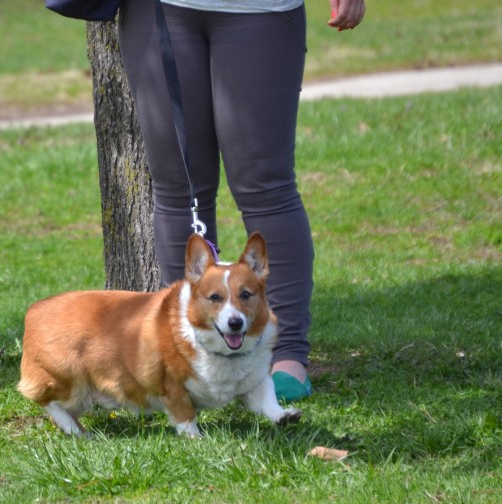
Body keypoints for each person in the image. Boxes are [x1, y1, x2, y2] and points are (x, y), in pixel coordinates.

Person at [118, 0, 366, 402]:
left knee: (265, 187)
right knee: (179, 188)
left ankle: (286, 357)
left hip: (259, 9)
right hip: (159, 9)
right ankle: (188, 354)